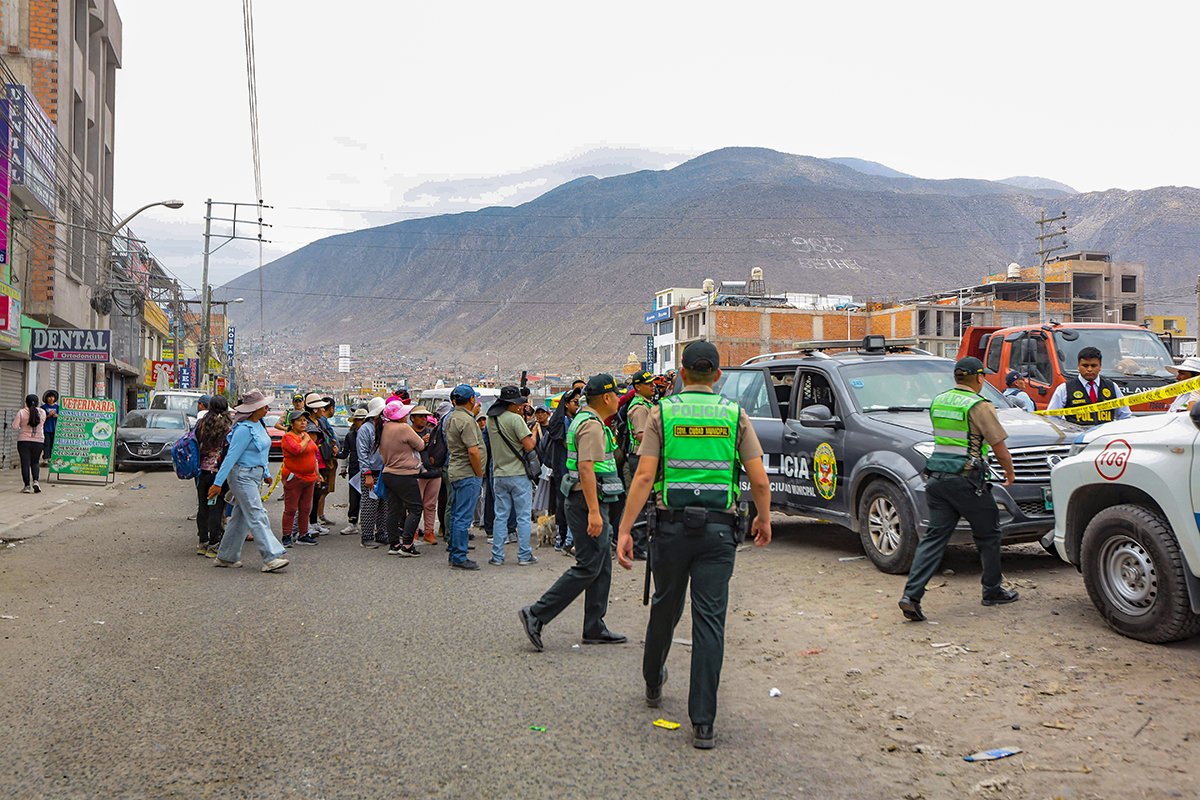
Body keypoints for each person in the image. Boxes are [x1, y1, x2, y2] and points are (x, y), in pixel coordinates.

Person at [615, 342, 773, 750]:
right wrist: (764, 517)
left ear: (682, 373)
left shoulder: (661, 412)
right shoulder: (734, 415)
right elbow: (758, 479)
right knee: (709, 623)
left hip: (670, 531)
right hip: (719, 534)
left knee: (665, 606)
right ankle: (703, 722)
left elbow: (645, 477)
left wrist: (625, 529)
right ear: (717, 376)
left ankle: (653, 682)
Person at [899, 356, 1019, 623]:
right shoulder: (980, 405)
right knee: (988, 534)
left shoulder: (939, 401)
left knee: (933, 539)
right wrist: (1009, 474)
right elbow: (998, 444)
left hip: (937, 480)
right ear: (979, 378)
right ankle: (992, 590)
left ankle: (911, 596)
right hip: (967, 480)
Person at [520, 374, 628, 653]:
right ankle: (537, 613)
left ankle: (594, 625)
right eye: (616, 394)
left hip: (591, 499)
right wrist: (594, 512)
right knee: (588, 566)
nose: (618, 398)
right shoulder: (591, 426)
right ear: (606, 397)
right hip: (586, 501)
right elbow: (586, 469)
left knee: (602, 564)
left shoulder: (586, 421)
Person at [208, 390, 289, 573]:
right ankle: (271, 556)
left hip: (254, 476)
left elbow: (261, 452)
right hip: (242, 476)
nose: (267, 408)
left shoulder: (258, 425)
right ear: (254, 409)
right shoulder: (243, 430)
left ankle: (226, 556)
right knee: (257, 513)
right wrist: (218, 483)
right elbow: (231, 457)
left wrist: (266, 472)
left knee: (241, 517)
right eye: (264, 406)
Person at [487, 385, 537, 566]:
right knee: (523, 516)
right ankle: (524, 555)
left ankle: (497, 556)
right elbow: (529, 445)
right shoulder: (516, 420)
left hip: (499, 473)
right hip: (518, 474)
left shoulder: (491, 420)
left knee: (500, 515)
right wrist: (535, 432)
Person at [378, 399, 426, 556]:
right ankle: (407, 544)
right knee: (415, 508)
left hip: (389, 473)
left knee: (394, 509)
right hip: (405, 474)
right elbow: (420, 445)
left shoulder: (384, 428)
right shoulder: (403, 428)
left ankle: (394, 544)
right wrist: (423, 440)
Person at [444, 384, 485, 570]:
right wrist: (479, 472)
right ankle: (460, 556)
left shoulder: (451, 418)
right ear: (471, 400)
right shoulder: (467, 421)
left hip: (455, 470)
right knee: (463, 516)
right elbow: (473, 451)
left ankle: (454, 550)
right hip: (468, 472)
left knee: (455, 513)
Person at [1046, 346, 1131, 426]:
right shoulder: (1064, 389)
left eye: (1093, 366)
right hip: (1076, 438)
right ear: (1078, 366)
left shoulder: (1112, 387)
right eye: (1085, 365)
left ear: (1100, 367)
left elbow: (1125, 416)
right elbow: (1052, 417)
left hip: (1104, 438)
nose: (1089, 369)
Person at [622, 370, 658, 561]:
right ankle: (638, 545)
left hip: (643, 456)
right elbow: (641, 435)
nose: (653, 386)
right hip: (640, 457)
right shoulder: (639, 408)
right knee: (642, 501)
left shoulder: (646, 404)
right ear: (637, 387)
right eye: (648, 384)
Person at [542, 388, 580, 553]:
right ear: (566, 404)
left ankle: (562, 538)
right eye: (575, 402)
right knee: (566, 503)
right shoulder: (564, 421)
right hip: (565, 469)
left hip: (567, 468)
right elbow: (568, 444)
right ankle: (564, 539)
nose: (578, 406)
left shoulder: (570, 419)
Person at [194, 396, 233, 556]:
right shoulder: (228, 427)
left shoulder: (201, 424)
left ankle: (202, 542)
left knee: (203, 507)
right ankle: (214, 544)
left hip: (202, 473)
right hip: (219, 475)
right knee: (216, 508)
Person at [281, 409, 321, 547]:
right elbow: (297, 450)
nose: (303, 423)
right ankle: (286, 535)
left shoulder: (306, 435)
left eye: (304, 420)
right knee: (291, 508)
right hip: (294, 477)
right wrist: (305, 439)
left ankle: (303, 534)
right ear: (292, 423)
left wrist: (317, 474)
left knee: (305, 508)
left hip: (309, 477)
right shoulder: (288, 437)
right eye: (300, 420)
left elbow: (314, 453)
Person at [353, 397, 388, 549]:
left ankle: (381, 533)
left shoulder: (383, 427)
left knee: (384, 505)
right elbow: (363, 453)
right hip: (370, 471)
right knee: (369, 505)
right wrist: (366, 473)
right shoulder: (365, 429)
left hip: (383, 471)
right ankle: (367, 536)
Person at [411, 406, 446, 545]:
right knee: (415, 505)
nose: (423, 419)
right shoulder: (408, 432)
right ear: (412, 418)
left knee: (430, 505)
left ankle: (429, 532)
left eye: (425, 417)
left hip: (434, 472)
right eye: (420, 416)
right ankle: (412, 532)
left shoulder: (433, 433)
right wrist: (422, 442)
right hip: (416, 474)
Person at [340, 406, 368, 535]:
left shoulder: (372, 434)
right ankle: (352, 522)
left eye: (362, 420)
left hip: (368, 468)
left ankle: (368, 522)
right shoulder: (350, 436)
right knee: (354, 497)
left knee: (369, 497)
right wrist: (343, 467)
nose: (360, 422)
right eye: (358, 420)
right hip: (354, 468)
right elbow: (345, 453)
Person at [12, 394, 45, 493]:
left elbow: (14, 426)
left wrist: (22, 428)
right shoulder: (42, 412)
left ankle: (27, 486)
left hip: (24, 441)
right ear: (38, 402)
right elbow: (42, 424)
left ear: (26, 402)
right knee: (35, 462)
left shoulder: (22, 412)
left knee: (25, 463)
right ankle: (36, 481)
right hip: (39, 441)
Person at [39, 390, 59, 465]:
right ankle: (45, 458)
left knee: (53, 444)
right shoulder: (43, 407)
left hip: (55, 429)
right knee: (46, 444)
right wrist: (48, 416)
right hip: (46, 429)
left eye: (52, 397)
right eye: (49, 397)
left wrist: (57, 416)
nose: (51, 398)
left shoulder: (57, 407)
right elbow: (40, 418)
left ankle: (51, 458)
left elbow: (62, 417)